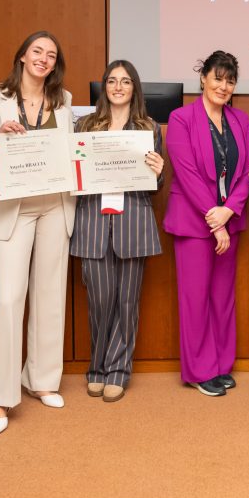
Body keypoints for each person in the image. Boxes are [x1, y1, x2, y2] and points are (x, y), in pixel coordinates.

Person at [0, 31, 76, 435]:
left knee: (50, 296)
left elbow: (72, 150)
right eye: (37, 51)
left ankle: (41, 381)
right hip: (13, 210)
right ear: (21, 56)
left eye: (51, 55)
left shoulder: (65, 100)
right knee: (9, 298)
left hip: (55, 204)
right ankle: (2, 399)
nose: (43, 59)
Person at [70, 60, 165, 402]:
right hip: (94, 221)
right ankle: (97, 366)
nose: (119, 86)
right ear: (104, 87)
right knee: (98, 301)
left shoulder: (148, 127)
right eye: (112, 80)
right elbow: (73, 176)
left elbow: (156, 184)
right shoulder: (85, 125)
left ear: (134, 87)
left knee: (127, 302)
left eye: (126, 81)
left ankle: (119, 369)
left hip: (133, 222)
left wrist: (158, 171)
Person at [164, 51, 249, 396]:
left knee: (222, 297)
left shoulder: (241, 120)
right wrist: (214, 219)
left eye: (230, 80)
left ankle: (220, 365)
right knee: (195, 298)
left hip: (227, 221)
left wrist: (229, 211)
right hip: (193, 223)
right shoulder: (181, 118)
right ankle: (200, 371)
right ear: (203, 78)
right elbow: (186, 174)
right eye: (218, 78)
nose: (224, 86)